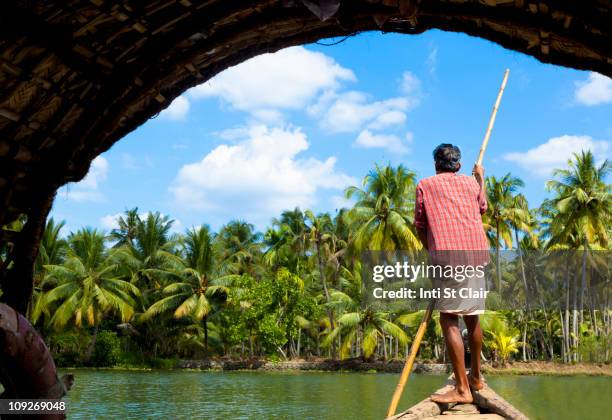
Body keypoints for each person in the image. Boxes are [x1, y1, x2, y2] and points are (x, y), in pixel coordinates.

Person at [414, 143, 489, 404]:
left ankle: (462, 389)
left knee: (448, 319)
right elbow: (483, 208)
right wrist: (480, 178)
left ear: (436, 165)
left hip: (448, 257)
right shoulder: (471, 184)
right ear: (457, 165)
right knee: (473, 317)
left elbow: (420, 226)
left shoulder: (425, 184)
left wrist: (432, 252)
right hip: (476, 256)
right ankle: (476, 377)